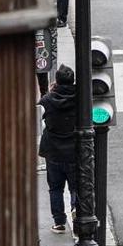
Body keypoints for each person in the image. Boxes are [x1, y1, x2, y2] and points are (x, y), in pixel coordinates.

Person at [40, 65, 78, 234]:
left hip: (53, 151)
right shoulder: (79, 97)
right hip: (74, 150)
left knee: (55, 188)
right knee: (76, 187)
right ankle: (77, 213)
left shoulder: (48, 99)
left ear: (57, 80)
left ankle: (59, 222)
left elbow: (42, 119)